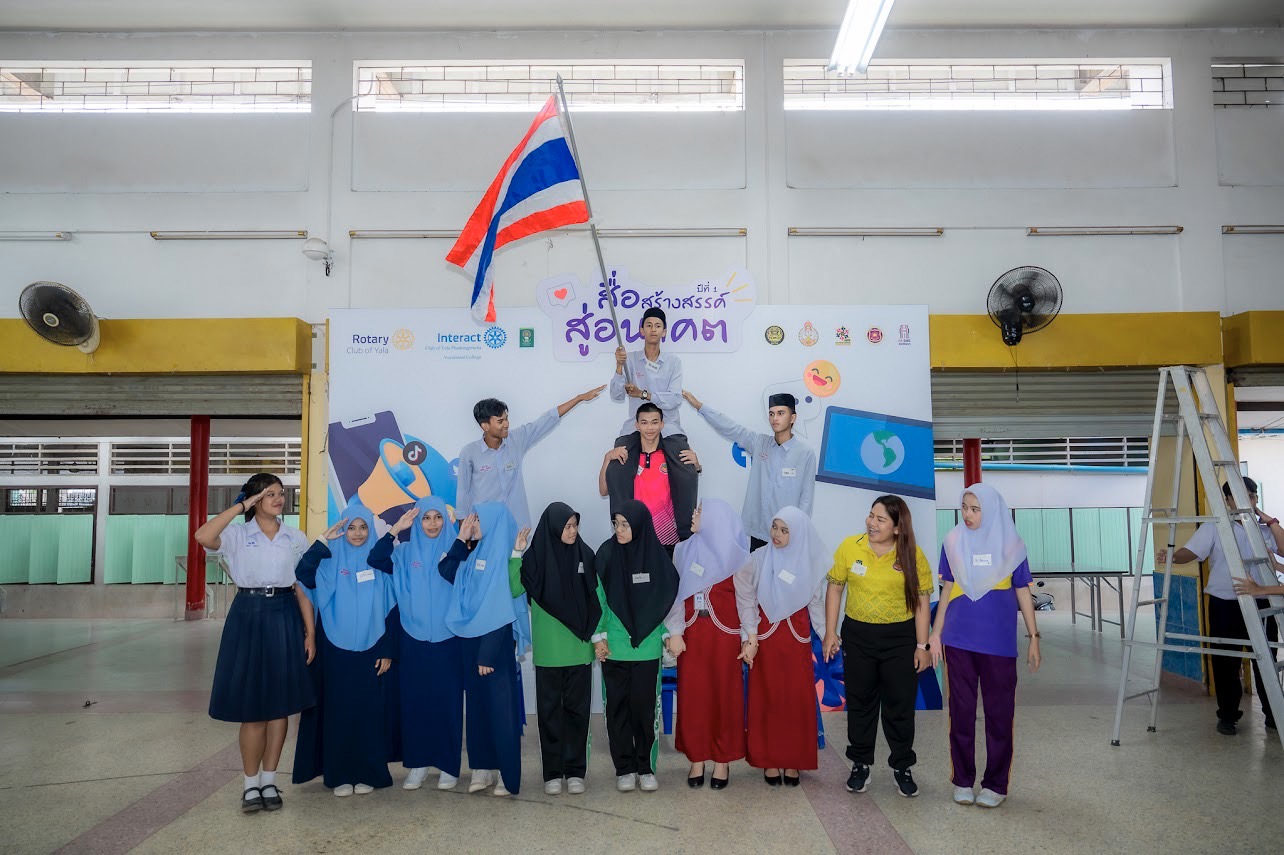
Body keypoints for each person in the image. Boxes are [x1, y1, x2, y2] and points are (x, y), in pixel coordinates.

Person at [196, 473, 315, 813]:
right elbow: (203, 535)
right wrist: (240, 506)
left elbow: (302, 589)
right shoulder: (236, 534)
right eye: (269, 494)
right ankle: (250, 785)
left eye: (280, 493)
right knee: (253, 708)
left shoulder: (296, 537)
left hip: (285, 614)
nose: (278, 499)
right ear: (254, 499)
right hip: (248, 614)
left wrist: (310, 633)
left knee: (280, 706)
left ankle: (269, 780)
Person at [927, 484, 1042, 809]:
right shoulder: (952, 542)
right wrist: (935, 634)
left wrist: (1034, 637)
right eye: (964, 507)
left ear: (990, 511)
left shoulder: (1012, 545)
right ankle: (962, 780)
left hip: (999, 643)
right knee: (961, 713)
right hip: (958, 640)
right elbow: (947, 590)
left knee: (999, 714)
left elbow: (1023, 591)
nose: (967, 514)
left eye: (975, 509)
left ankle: (995, 784)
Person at [822, 495, 932, 799]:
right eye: (871, 515)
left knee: (900, 705)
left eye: (880, 519)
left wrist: (922, 645)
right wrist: (830, 632)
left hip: (900, 639)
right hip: (858, 636)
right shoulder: (850, 547)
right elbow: (834, 588)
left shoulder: (912, 554)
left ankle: (902, 766)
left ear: (897, 527)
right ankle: (860, 764)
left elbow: (922, 602)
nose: (871, 523)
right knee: (861, 702)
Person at [293, 504, 400, 797]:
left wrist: (387, 649)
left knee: (369, 712)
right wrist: (322, 541)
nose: (357, 533)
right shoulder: (329, 562)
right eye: (351, 527)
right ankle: (338, 773)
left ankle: (369, 772)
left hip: (372, 648)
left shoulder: (379, 563)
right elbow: (302, 574)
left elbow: (393, 608)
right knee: (338, 711)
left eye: (363, 527)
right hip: (334, 648)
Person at [1167, 477, 1282, 734]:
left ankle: (1274, 715)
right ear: (1228, 500)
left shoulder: (1263, 529)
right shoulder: (1215, 527)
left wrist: (1270, 521)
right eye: (1241, 496)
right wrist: (1172, 555)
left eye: (1252, 496)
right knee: (1226, 661)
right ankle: (1228, 716)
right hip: (1225, 605)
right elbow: (1189, 552)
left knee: (1266, 661)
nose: (1247, 501)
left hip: (1261, 602)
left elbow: (1283, 549)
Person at [366, 496, 466, 792]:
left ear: (445, 520)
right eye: (426, 518)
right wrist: (396, 529)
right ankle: (418, 764)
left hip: (449, 639)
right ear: (417, 521)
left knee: (447, 703)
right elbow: (375, 559)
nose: (432, 524)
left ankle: (448, 765)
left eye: (438, 517)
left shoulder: (457, 551)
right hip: (413, 638)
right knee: (415, 702)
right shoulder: (404, 552)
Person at [735, 506, 830, 787]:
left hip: (796, 641)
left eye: (785, 530)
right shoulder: (758, 559)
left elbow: (816, 604)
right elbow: (746, 599)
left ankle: (793, 760)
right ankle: (769, 759)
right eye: (775, 527)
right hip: (767, 641)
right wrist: (750, 635)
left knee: (795, 700)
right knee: (768, 698)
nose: (776, 534)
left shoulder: (809, 563)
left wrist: (826, 634)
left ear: (797, 533)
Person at [438, 502, 527, 796]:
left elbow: (499, 608)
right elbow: (446, 570)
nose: (472, 524)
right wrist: (460, 539)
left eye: (477, 520)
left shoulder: (502, 556)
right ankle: (482, 767)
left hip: (494, 647)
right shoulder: (475, 552)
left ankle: (506, 774)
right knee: (477, 710)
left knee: (502, 713)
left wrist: (487, 654)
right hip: (470, 642)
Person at [593, 499, 680, 793]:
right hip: (614, 647)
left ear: (640, 525)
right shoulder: (606, 554)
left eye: (625, 524)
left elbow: (663, 604)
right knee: (617, 710)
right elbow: (598, 600)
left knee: (645, 711)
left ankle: (646, 767)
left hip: (647, 648)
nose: (619, 529)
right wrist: (598, 637)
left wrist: (667, 634)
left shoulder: (657, 558)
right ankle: (625, 768)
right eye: (615, 524)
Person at [664, 499, 751, 790]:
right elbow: (676, 595)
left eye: (700, 511)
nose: (694, 514)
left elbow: (746, 601)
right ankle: (697, 757)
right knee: (694, 697)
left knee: (724, 697)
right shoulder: (682, 550)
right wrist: (675, 631)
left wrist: (749, 637)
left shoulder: (737, 555)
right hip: (693, 636)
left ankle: (722, 760)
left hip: (725, 638)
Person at [516, 502, 601, 795]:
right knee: (549, 715)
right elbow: (514, 588)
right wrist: (516, 554)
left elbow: (596, 601)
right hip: (549, 653)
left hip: (579, 650)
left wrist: (598, 638)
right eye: (566, 526)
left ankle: (575, 772)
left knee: (578, 713)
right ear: (552, 528)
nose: (572, 531)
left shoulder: (585, 555)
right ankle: (552, 773)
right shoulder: (534, 558)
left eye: (575, 525)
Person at [682, 389, 817, 550]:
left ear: (792, 418)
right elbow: (731, 428)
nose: (775, 418)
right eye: (771, 414)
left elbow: (806, 499)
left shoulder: (805, 454)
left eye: (781, 413)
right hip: (758, 533)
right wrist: (699, 406)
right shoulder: (760, 443)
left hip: (785, 535)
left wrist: (797, 533)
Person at [456, 386, 605, 529]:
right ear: (485, 426)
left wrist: (579, 398)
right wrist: (464, 533)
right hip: (484, 527)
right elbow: (463, 494)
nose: (507, 424)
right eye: (500, 421)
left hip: (516, 526)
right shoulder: (469, 453)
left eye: (507, 419)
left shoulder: (516, 440)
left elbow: (547, 420)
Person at [599, 402, 701, 553]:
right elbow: (604, 491)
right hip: (636, 534)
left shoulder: (673, 455)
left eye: (654, 422)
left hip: (669, 537)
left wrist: (696, 466)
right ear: (637, 425)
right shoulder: (625, 456)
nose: (650, 428)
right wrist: (607, 458)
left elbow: (688, 482)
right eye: (644, 423)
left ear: (662, 424)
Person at [610, 306, 684, 437]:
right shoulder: (630, 359)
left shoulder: (673, 362)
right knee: (619, 450)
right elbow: (616, 396)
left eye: (658, 326)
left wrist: (642, 394)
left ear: (664, 332)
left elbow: (675, 399)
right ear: (642, 330)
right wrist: (619, 365)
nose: (653, 329)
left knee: (681, 450)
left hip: (668, 426)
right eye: (649, 325)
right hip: (636, 427)